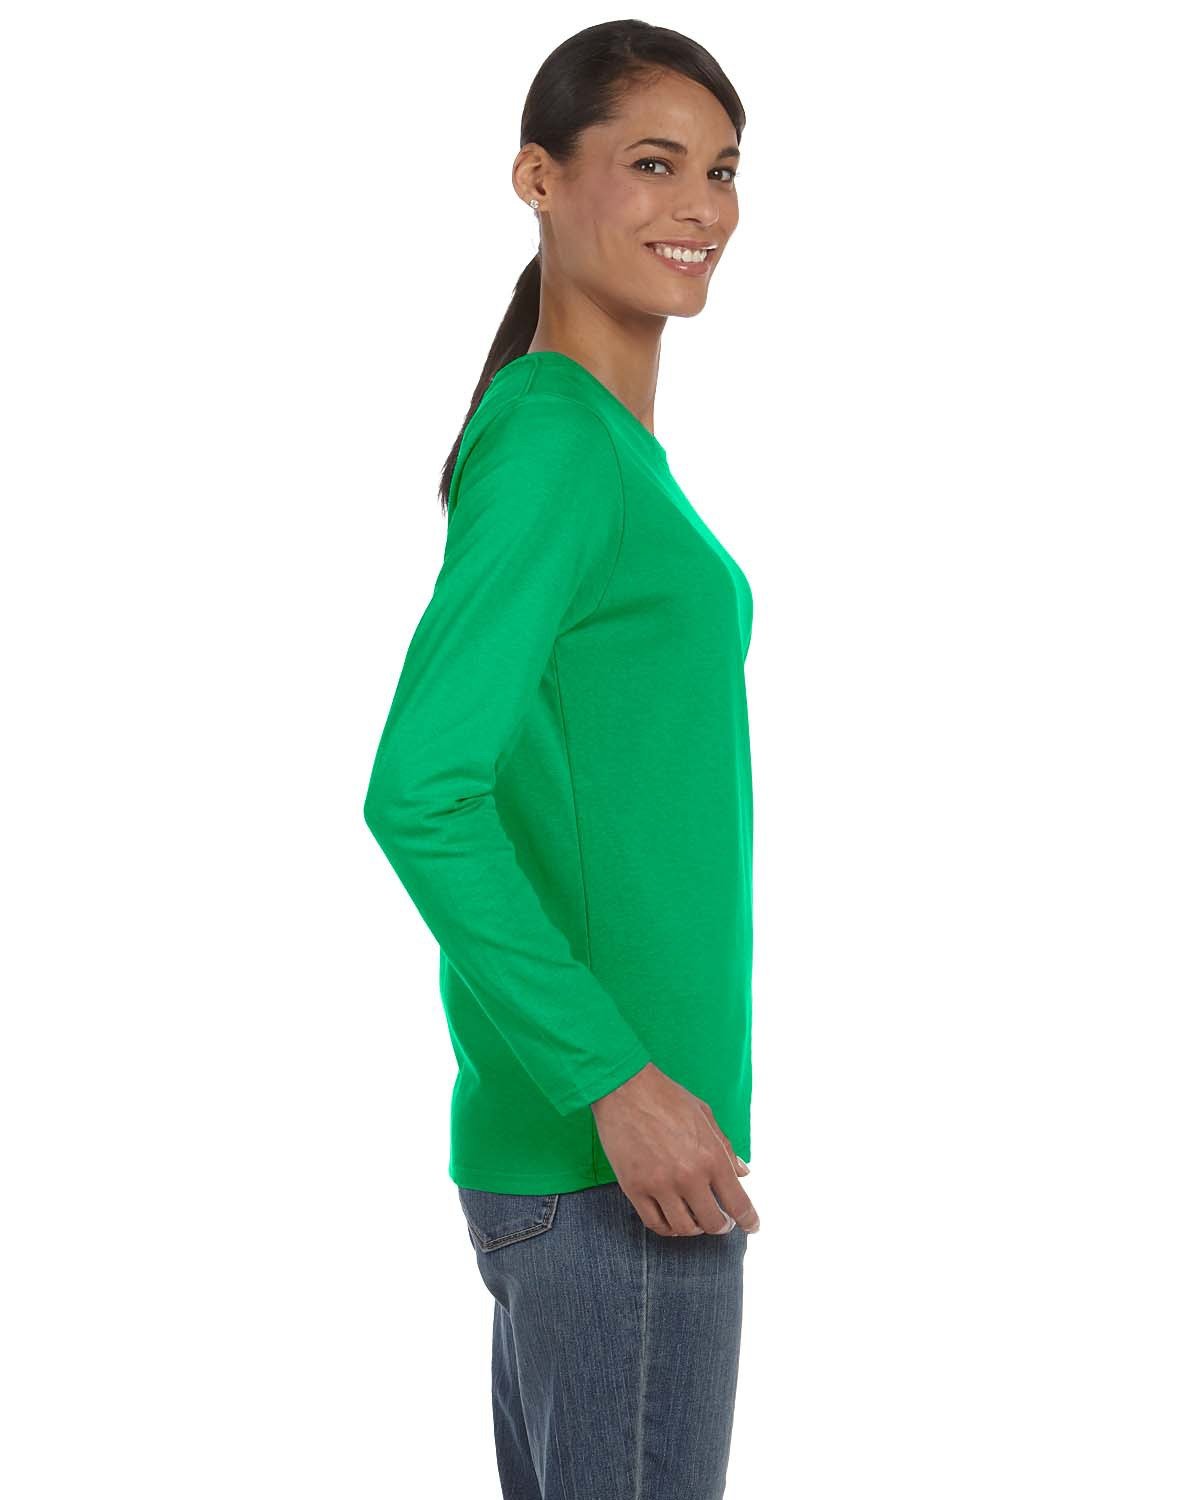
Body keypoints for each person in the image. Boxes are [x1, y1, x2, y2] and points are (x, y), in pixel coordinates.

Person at [363, 20, 758, 1499]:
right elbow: (422, 790)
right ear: (538, 177)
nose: (699, 207)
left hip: (619, 1158)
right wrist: (615, 1081)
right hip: (615, 1165)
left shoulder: (592, 443)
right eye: (652, 164)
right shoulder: (556, 443)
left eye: (722, 170)